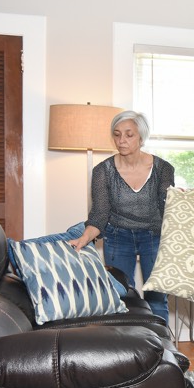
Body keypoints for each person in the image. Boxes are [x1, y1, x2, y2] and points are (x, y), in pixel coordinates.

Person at [69, 110, 173, 324]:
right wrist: (84, 238)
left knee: (156, 297)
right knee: (122, 295)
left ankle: (162, 347)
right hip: (118, 237)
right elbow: (99, 215)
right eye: (117, 135)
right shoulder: (102, 171)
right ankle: (130, 349)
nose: (121, 140)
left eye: (129, 134)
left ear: (141, 138)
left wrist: (180, 199)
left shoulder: (163, 169)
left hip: (154, 236)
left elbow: (168, 205)